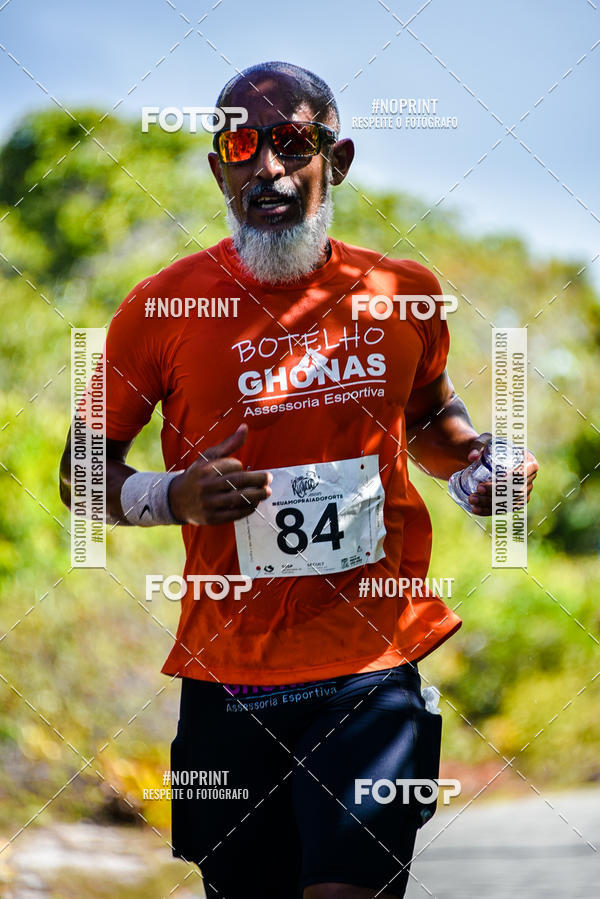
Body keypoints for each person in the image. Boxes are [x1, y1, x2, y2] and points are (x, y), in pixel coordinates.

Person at [59, 61, 538, 899]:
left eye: (293, 142)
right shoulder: (159, 308)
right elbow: (79, 473)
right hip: (228, 672)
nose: (268, 168)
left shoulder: (404, 293)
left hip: (369, 662)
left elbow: (429, 422)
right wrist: (171, 495)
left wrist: (478, 470)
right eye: (242, 145)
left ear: (336, 159)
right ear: (218, 168)